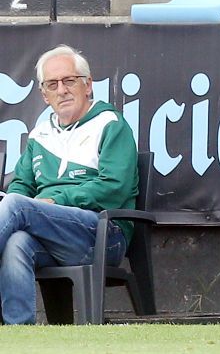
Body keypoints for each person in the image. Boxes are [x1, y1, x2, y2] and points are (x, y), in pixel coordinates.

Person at [0, 45, 137, 324]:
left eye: (69, 81)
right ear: (44, 95)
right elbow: (21, 187)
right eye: (53, 84)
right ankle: (20, 334)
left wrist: (57, 200)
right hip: (49, 234)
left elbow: (114, 188)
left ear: (87, 85)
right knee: (16, 241)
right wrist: (29, 203)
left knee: (15, 207)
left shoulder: (111, 124)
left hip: (101, 235)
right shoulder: (40, 135)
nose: (61, 90)